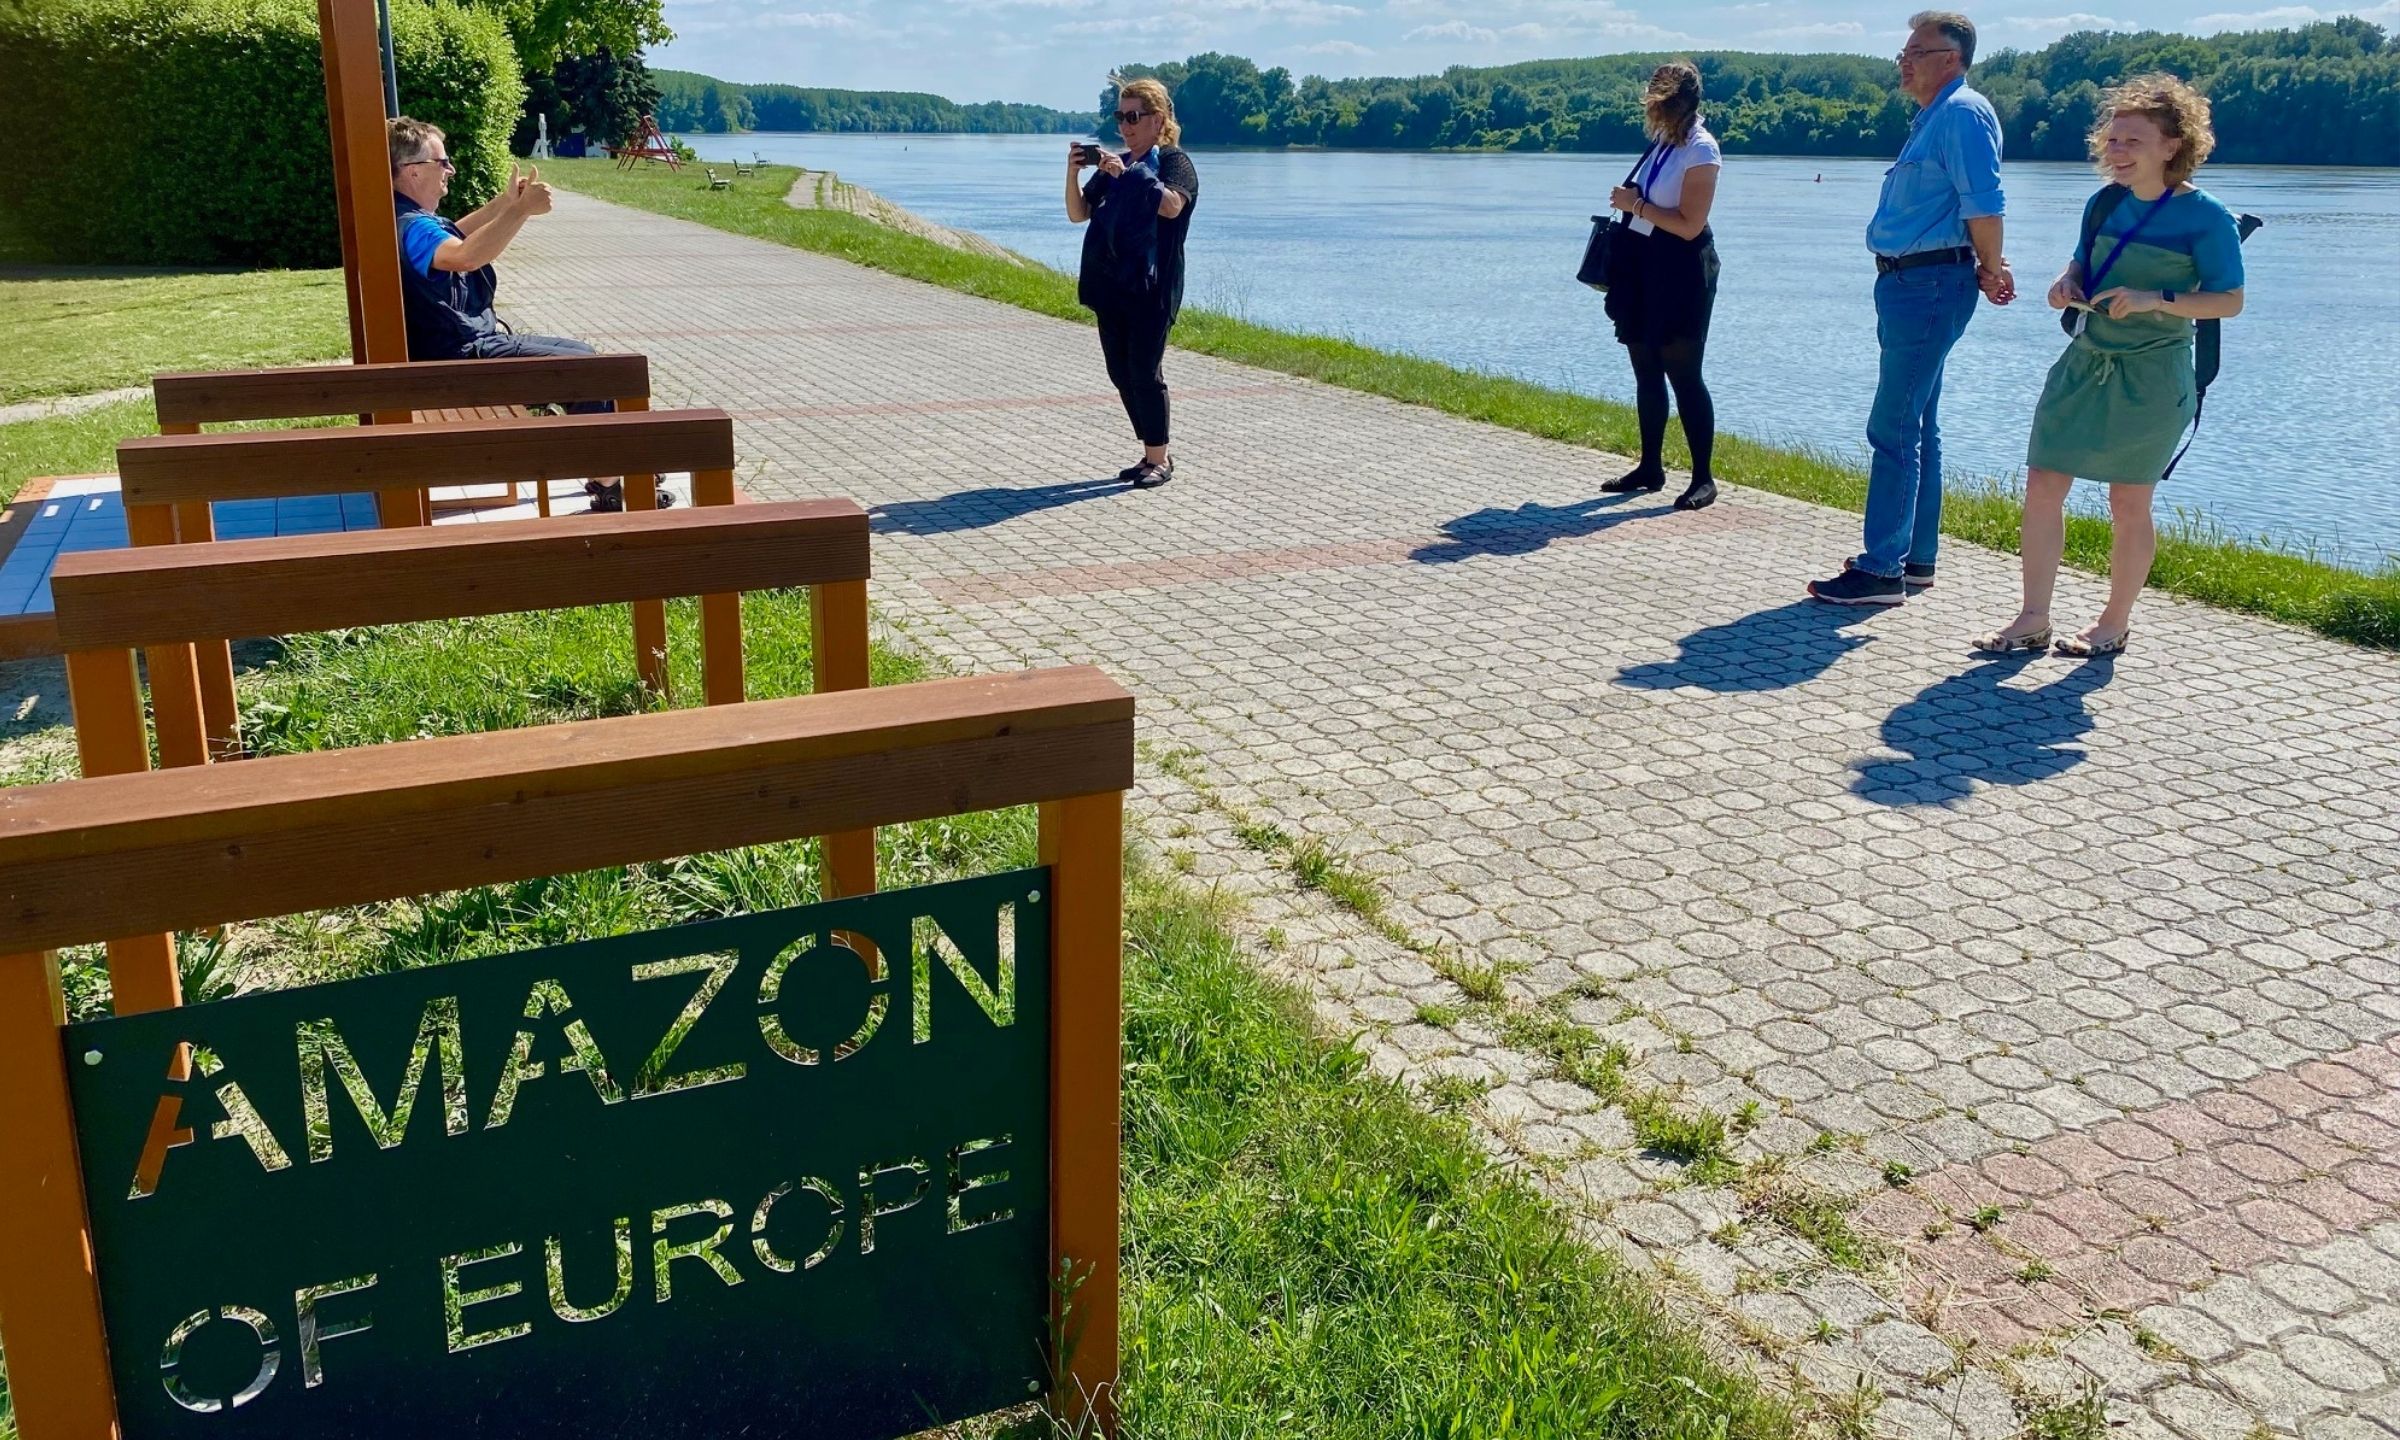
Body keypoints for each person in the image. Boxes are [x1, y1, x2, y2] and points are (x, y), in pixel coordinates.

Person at [1974, 74, 2244, 658]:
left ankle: (2113, 623)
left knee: (2128, 501)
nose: (2117, 153)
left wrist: (2157, 300)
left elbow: (2229, 300)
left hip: (2154, 375)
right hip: (2085, 362)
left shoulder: (2207, 218)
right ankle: (2032, 618)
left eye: (2133, 142)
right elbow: (2080, 267)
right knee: (2044, 484)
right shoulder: (2104, 204)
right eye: (2113, 141)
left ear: (2173, 145)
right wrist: (2066, 284)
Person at [1807, 11, 2013, 605]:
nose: (1904, 59)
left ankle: (1881, 571)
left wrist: (1992, 268)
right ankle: (1916, 558)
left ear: (1951, 57)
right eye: (1904, 50)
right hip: (1914, 284)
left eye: (1916, 51)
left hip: (1926, 286)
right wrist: (1985, 266)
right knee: (1918, 423)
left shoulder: (1963, 114)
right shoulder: (1935, 118)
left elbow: (1985, 204)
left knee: (1892, 427)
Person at [389, 116, 663, 510]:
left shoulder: (405, 217)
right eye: (443, 162)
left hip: (456, 349)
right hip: (460, 357)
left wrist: (505, 205)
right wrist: (521, 212)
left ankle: (610, 466)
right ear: (414, 172)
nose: (450, 170)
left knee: (584, 354)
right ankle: (612, 484)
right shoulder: (414, 226)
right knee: (591, 372)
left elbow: (455, 236)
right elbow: (464, 255)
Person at [1598, 60, 1723, 512]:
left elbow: (1690, 226)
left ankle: (1703, 479)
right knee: (1645, 367)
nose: (1652, 113)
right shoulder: (1661, 143)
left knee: (1684, 374)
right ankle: (1650, 466)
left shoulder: (1701, 150)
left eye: (1658, 105)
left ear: (1680, 104)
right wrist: (1633, 206)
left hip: (1682, 268)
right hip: (1643, 267)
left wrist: (1636, 205)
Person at [1066, 78, 1198, 489]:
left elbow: (1173, 207)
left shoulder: (1175, 163)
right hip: (1114, 286)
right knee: (1120, 372)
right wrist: (1072, 175)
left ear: (1158, 120)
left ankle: (1159, 458)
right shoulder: (1114, 166)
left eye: (1133, 116)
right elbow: (1078, 213)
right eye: (1120, 116)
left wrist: (1131, 174)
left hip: (1154, 288)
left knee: (1144, 370)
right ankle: (1150, 451)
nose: (1125, 125)